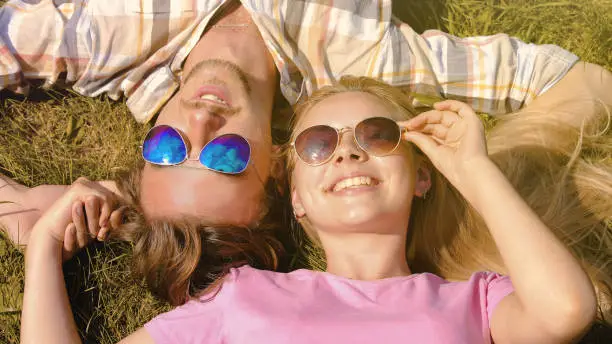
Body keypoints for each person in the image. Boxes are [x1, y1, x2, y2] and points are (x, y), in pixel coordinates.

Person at [20, 76, 605, 343]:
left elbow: (565, 312)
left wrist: (474, 171)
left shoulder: (475, 299)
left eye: (376, 135)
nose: (347, 149)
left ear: (422, 176)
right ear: (296, 198)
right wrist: (43, 248)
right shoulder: (240, 297)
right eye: (318, 145)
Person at [1, 0, 611, 248]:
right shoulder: (357, 57)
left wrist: (16, 203)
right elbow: (578, 83)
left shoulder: (103, 46)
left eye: (166, 147)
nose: (201, 121)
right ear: (277, 165)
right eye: (224, 159)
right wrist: (474, 180)